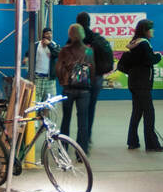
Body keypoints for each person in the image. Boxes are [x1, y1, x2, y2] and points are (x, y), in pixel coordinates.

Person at [118, 19, 163, 152]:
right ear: (145, 31)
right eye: (151, 29)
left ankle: (132, 141)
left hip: (134, 82)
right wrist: (159, 56)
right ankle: (151, 144)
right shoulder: (144, 44)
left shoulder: (134, 43)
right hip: (143, 83)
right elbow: (150, 59)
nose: (153, 31)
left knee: (137, 112)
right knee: (149, 113)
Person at [75, 11, 115, 150]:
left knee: (81, 108)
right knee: (91, 107)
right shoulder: (95, 37)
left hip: (82, 74)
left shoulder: (76, 38)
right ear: (89, 22)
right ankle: (87, 136)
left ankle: (81, 138)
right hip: (97, 76)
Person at [56, 23, 94, 154]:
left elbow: (58, 68)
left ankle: (63, 150)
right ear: (82, 34)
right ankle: (81, 152)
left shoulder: (64, 51)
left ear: (70, 34)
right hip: (84, 90)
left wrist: (63, 82)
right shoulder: (88, 51)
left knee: (66, 119)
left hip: (68, 89)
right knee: (83, 121)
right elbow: (92, 71)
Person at [31, 27, 59, 107]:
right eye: (47, 33)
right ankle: (36, 118)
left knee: (49, 103)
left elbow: (58, 53)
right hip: (37, 78)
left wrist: (49, 44)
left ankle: (45, 118)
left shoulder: (54, 45)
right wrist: (26, 58)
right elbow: (28, 52)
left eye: (50, 33)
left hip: (49, 79)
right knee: (35, 102)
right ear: (43, 35)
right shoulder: (36, 45)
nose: (49, 35)